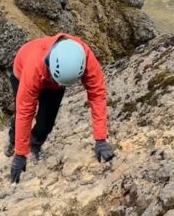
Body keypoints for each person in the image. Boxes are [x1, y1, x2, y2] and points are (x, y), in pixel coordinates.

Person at [6, 34, 115, 184]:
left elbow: (97, 95)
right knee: (20, 112)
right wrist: (20, 154)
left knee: (46, 122)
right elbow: (26, 111)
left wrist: (101, 139)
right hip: (23, 70)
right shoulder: (34, 67)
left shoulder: (86, 58)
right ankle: (13, 139)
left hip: (55, 83)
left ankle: (35, 145)